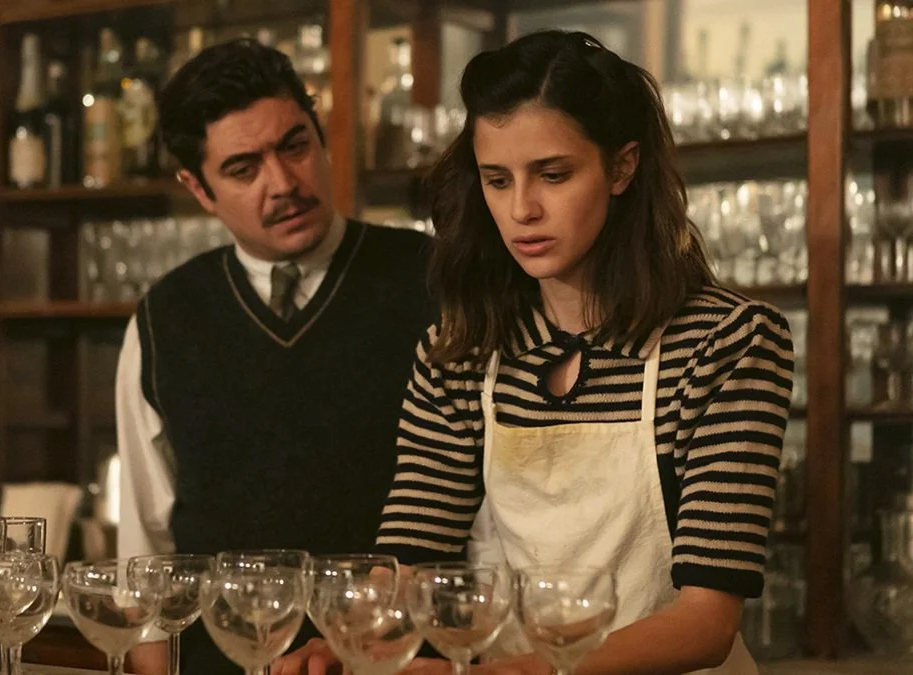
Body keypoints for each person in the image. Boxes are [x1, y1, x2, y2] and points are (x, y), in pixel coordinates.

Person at [279, 30, 793, 675]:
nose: (522, 209)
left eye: (553, 174)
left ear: (622, 167)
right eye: (497, 180)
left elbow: (706, 623)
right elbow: (411, 563)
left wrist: (535, 671)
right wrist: (348, 642)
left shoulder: (725, 343)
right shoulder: (461, 353)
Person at [116, 38, 437, 675]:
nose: (284, 183)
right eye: (244, 169)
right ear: (199, 188)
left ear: (322, 136)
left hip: (399, 665)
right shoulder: (165, 316)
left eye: (295, 146)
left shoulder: (432, 279)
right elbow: (145, 548)